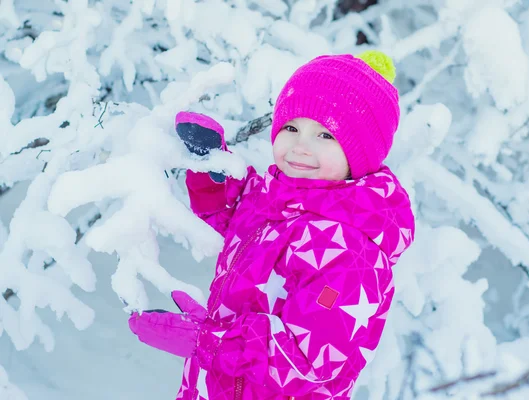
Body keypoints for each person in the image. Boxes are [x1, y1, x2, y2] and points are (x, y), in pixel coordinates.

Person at [128, 50, 415, 400]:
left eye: (325, 135)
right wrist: (214, 172)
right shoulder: (280, 196)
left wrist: (207, 340)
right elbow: (239, 219)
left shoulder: (352, 249)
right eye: (291, 127)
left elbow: (308, 358)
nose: (300, 146)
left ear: (361, 154)